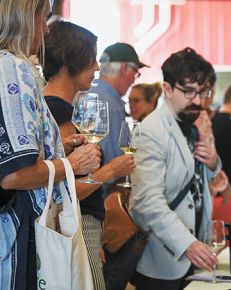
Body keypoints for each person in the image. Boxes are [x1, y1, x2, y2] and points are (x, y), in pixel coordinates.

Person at [0, 1, 101, 289]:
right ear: (22, 17)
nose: (45, 30)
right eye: (43, 18)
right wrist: (72, 164)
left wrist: (58, 150)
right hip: (20, 234)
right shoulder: (14, 68)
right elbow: (14, 175)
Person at [42, 17, 135, 290]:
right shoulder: (55, 111)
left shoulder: (66, 109)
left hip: (83, 227)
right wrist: (111, 171)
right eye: (91, 59)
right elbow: (62, 191)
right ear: (68, 60)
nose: (97, 67)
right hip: (72, 227)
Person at [129, 47, 221, 290]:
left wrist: (212, 163)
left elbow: (193, 179)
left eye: (203, 92)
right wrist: (187, 243)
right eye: (189, 92)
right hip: (163, 261)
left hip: (194, 254)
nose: (199, 101)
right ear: (167, 89)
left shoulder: (190, 123)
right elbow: (147, 201)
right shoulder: (152, 130)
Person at [88, 42, 147, 195]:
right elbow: (116, 166)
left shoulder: (89, 93)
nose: (134, 80)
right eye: (135, 72)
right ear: (124, 68)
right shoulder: (111, 104)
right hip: (102, 198)